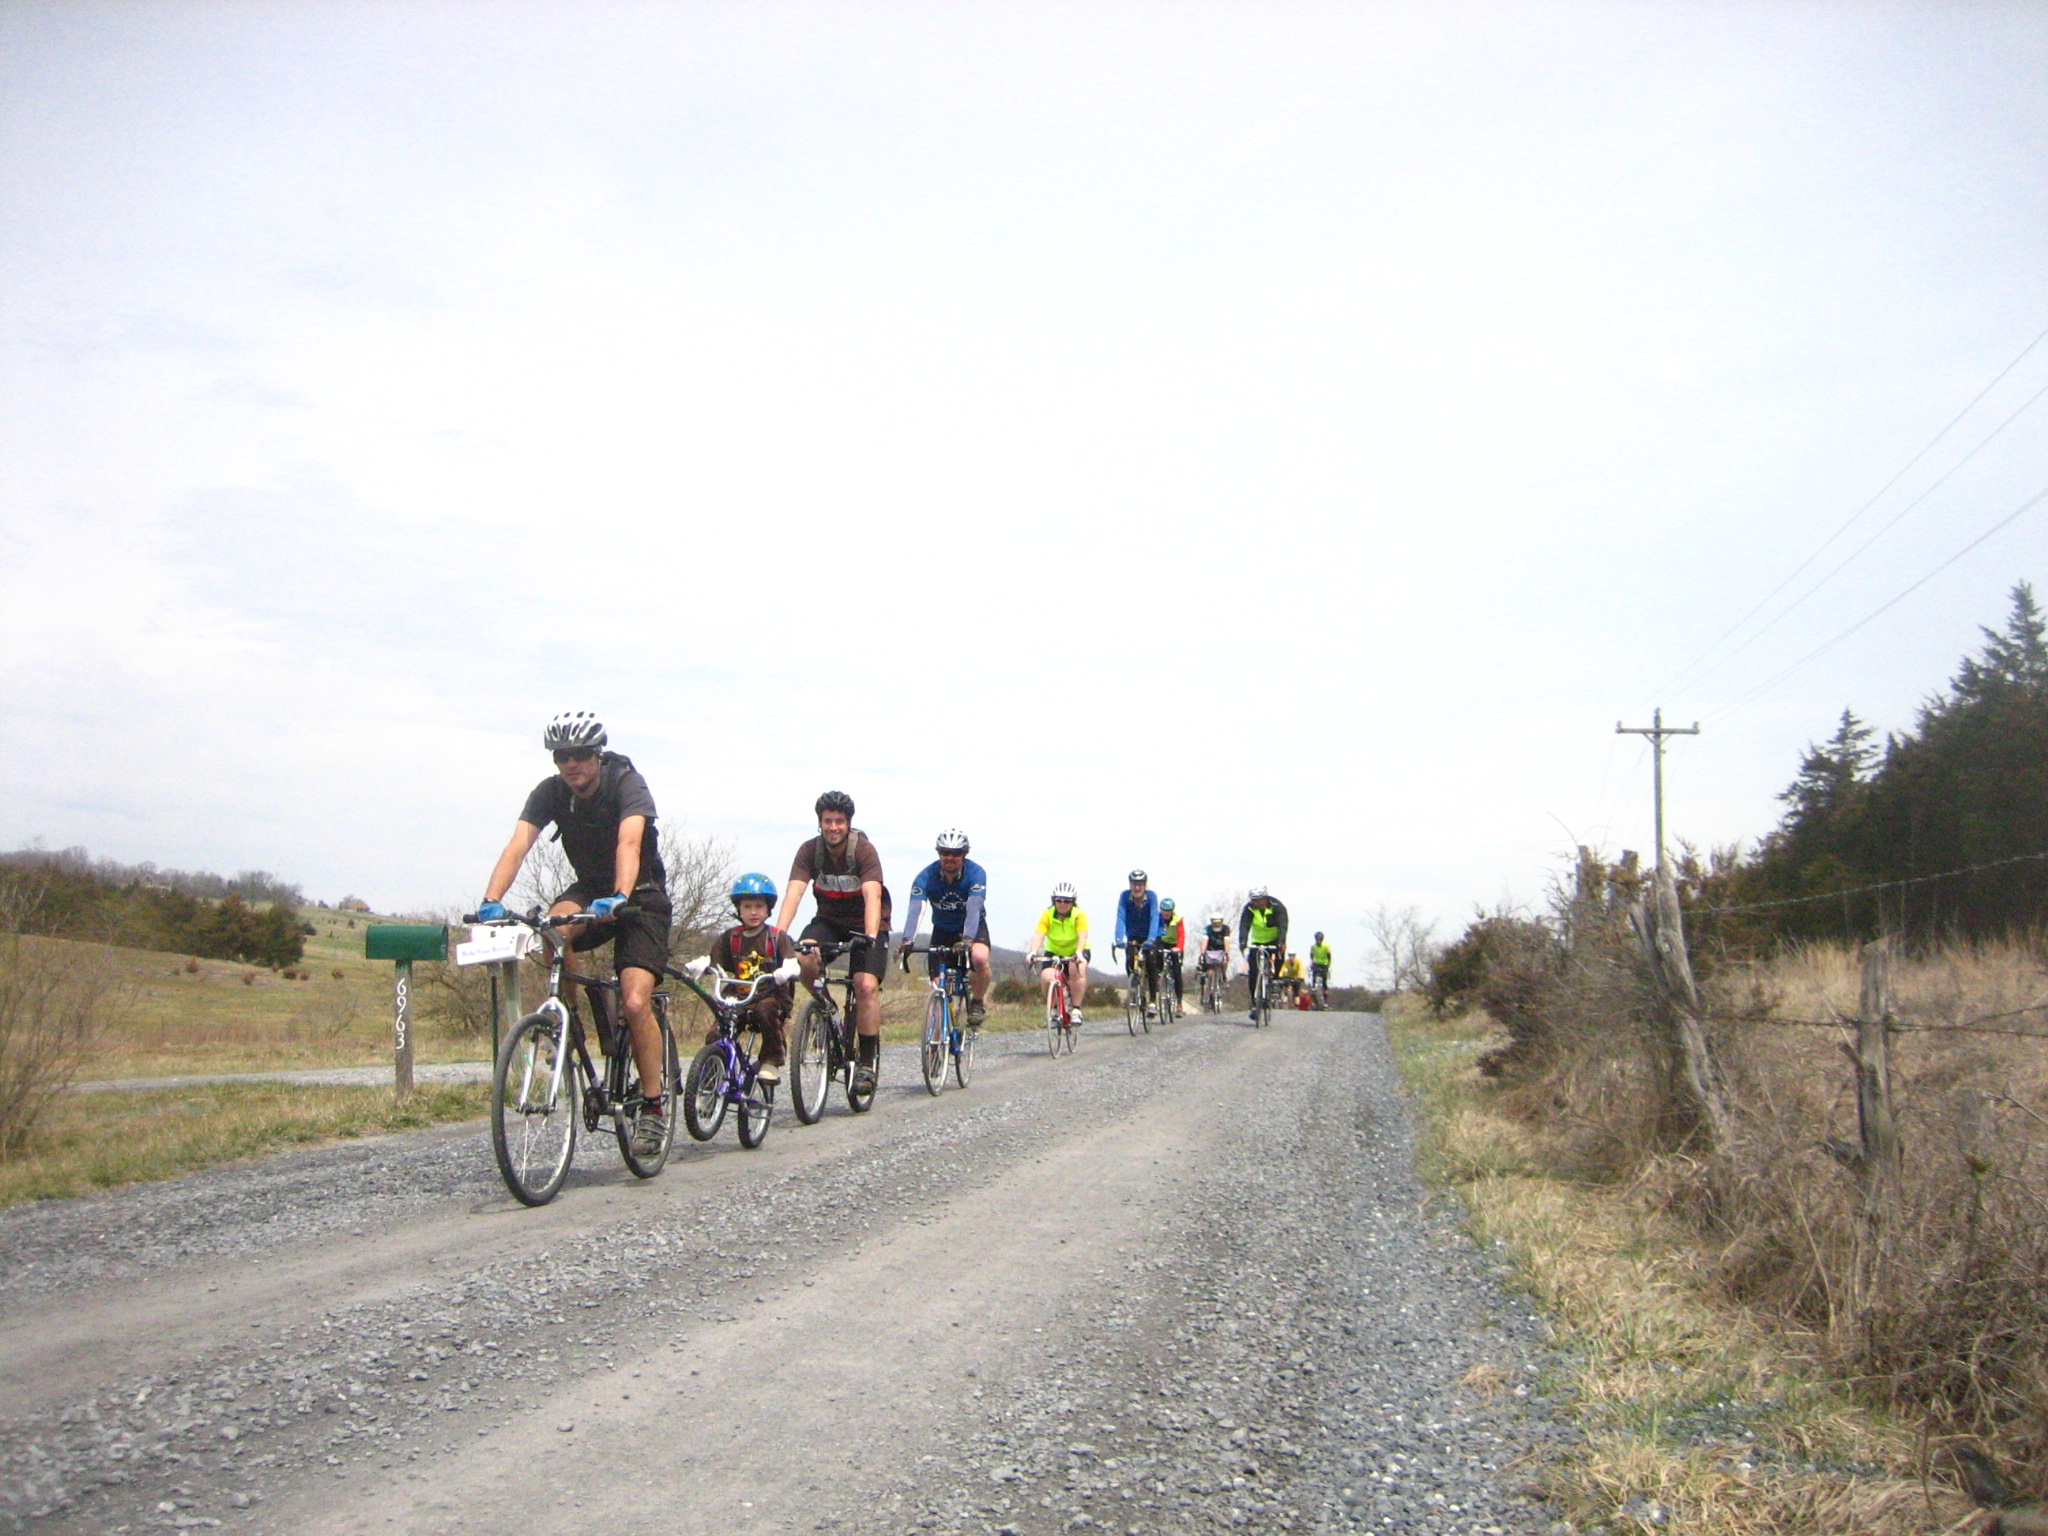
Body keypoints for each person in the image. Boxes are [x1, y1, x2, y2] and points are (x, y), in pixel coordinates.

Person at [478, 710, 673, 1157]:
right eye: (562, 756)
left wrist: (620, 894)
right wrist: (491, 900)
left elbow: (629, 842)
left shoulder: (626, 782)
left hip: (640, 894)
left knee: (636, 1000)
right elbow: (518, 844)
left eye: (581, 755)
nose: (572, 765)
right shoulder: (551, 794)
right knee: (552, 927)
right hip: (590, 889)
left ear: (597, 755)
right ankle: (570, 1026)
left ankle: (653, 1107)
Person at [776, 790, 890, 1093]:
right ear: (820, 822)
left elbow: (872, 895)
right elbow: (795, 892)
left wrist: (868, 936)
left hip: (867, 924)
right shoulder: (809, 851)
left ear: (848, 823)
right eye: (827, 821)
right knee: (802, 958)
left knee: (865, 985)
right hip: (829, 920)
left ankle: (866, 1062)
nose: (833, 827)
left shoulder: (863, 851)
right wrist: (777, 935)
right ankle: (826, 1008)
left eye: (839, 821)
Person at [897, 829, 991, 1025]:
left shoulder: (975, 873)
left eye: (956, 853)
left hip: (972, 930)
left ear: (964, 855)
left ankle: (977, 1002)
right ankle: (937, 1040)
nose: (950, 858)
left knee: (979, 957)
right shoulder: (926, 876)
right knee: (939, 988)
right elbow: (916, 909)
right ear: (938, 853)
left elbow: (974, 908)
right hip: (942, 931)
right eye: (945, 853)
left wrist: (968, 939)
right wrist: (907, 940)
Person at [1031, 882, 1090, 1023]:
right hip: (1054, 951)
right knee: (1046, 977)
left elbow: (1082, 935)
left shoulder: (1079, 915)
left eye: (1067, 901)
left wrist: (1079, 952)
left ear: (1073, 902)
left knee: (1076, 969)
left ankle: (1076, 1009)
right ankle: (1054, 1007)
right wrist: (1033, 952)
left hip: (1076, 951)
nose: (1062, 904)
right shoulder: (1047, 914)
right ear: (1054, 901)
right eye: (1059, 900)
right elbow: (1039, 934)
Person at [1115, 869, 1162, 1008]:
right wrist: (1119, 938)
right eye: (1134, 884)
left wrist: (1151, 939)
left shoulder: (1152, 896)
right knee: (1130, 957)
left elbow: (1155, 917)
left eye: (1140, 884)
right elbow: (1121, 917)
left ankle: (1152, 1001)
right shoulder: (1124, 896)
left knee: (1151, 963)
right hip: (1133, 934)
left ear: (1145, 885)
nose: (1137, 887)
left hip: (1150, 935)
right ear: (1130, 884)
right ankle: (1134, 989)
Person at [1237, 888, 1289, 1002]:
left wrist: (1281, 942)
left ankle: (1276, 979)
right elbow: (1244, 926)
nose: (1254, 903)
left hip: (1274, 940)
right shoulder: (1249, 908)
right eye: (1252, 900)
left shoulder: (1277, 906)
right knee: (1253, 972)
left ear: (1264, 899)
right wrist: (1242, 941)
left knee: (1280, 954)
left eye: (1257, 900)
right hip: (1258, 941)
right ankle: (1254, 1001)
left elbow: (1283, 925)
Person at [1157, 897, 1186, 1007]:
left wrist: (1179, 947)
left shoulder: (1177, 918)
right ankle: (1159, 977)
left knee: (1177, 972)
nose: (1166, 913)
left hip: (1175, 944)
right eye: (1164, 910)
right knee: (1155, 955)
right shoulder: (1157, 917)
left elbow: (1182, 934)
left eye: (1168, 910)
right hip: (1162, 942)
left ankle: (1179, 1003)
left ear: (1172, 911)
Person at [1199, 910, 1233, 993]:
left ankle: (1224, 976)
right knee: (1209, 973)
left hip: (1221, 950)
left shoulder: (1226, 929)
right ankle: (1209, 991)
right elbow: (1204, 941)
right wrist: (1203, 952)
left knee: (1224, 962)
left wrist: (1227, 952)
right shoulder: (1208, 929)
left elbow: (1227, 941)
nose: (1217, 924)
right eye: (1215, 922)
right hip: (1210, 950)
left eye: (1218, 921)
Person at [1310, 932, 1333, 998]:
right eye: (1317, 940)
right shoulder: (1313, 947)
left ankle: (1325, 996)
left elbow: (1329, 956)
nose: (1318, 941)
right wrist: (1312, 963)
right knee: (1314, 975)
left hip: (1324, 964)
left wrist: (1329, 965)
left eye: (1320, 940)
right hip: (1316, 963)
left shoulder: (1326, 946)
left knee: (1324, 981)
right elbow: (1311, 956)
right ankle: (1313, 987)